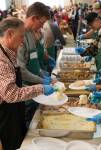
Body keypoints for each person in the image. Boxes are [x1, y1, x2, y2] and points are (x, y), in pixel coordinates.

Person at [0, 17, 55, 150]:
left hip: (14, 111)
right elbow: (11, 94)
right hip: (6, 115)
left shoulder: (8, 52)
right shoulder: (2, 61)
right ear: (9, 34)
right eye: (21, 36)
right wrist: (40, 88)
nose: (23, 41)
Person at [17, 2, 54, 128]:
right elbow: (21, 69)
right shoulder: (20, 35)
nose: (42, 26)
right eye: (41, 22)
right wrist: (41, 80)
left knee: (34, 117)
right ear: (33, 18)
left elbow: (34, 59)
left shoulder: (31, 34)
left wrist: (41, 72)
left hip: (35, 89)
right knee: (27, 123)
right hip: (24, 90)